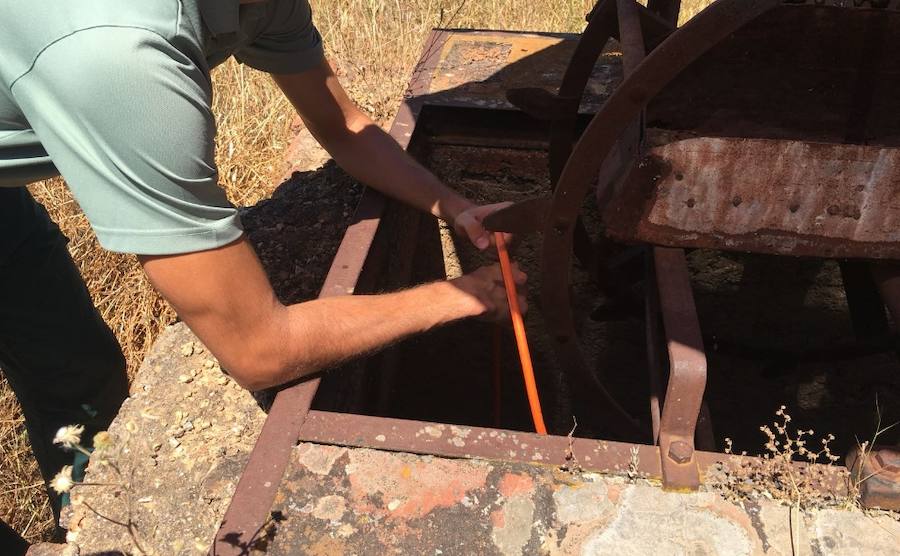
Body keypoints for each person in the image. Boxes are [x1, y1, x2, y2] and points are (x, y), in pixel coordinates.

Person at [0, 0, 524, 549]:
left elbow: (342, 125)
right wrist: (456, 298)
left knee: (77, 372)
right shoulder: (120, 62)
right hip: (87, 62)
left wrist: (451, 204)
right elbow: (257, 350)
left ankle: (89, 520)